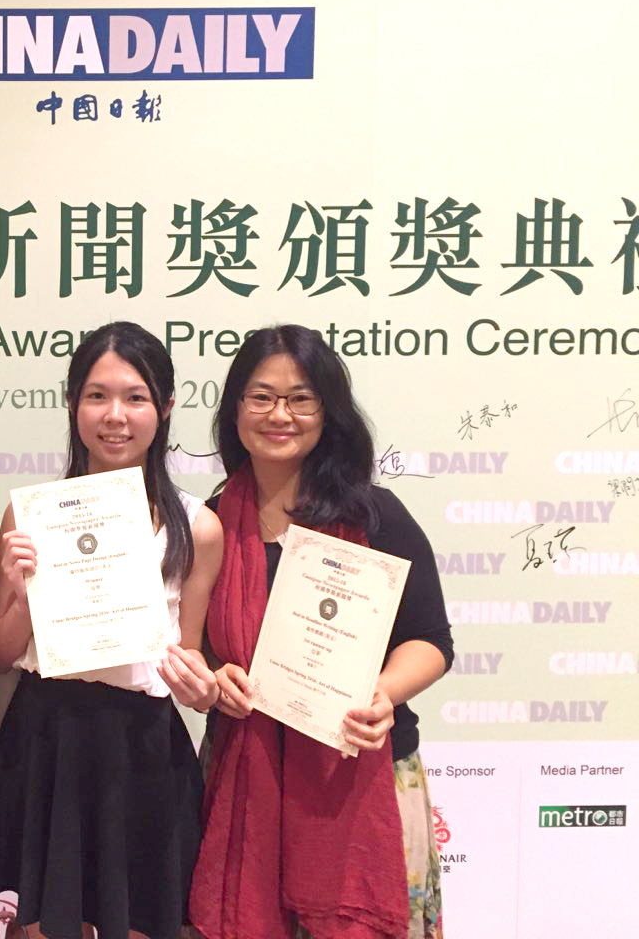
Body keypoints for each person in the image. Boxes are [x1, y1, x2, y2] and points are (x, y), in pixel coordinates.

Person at [189, 325, 453, 939]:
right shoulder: (211, 521)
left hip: (360, 771)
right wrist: (215, 677)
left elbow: (430, 639)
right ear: (235, 409)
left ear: (328, 411)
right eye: (261, 397)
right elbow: (191, 642)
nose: (280, 415)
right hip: (243, 781)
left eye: (300, 398)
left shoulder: (376, 515)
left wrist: (381, 694)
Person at [0, 321, 224, 939]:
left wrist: (201, 687)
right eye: (97, 396)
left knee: (137, 919)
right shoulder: (30, 511)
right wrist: (26, 595)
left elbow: (189, 653)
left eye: (135, 397)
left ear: (165, 407)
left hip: (141, 745)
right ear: (71, 403)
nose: (115, 416)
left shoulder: (198, 525)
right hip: (47, 735)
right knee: (42, 923)